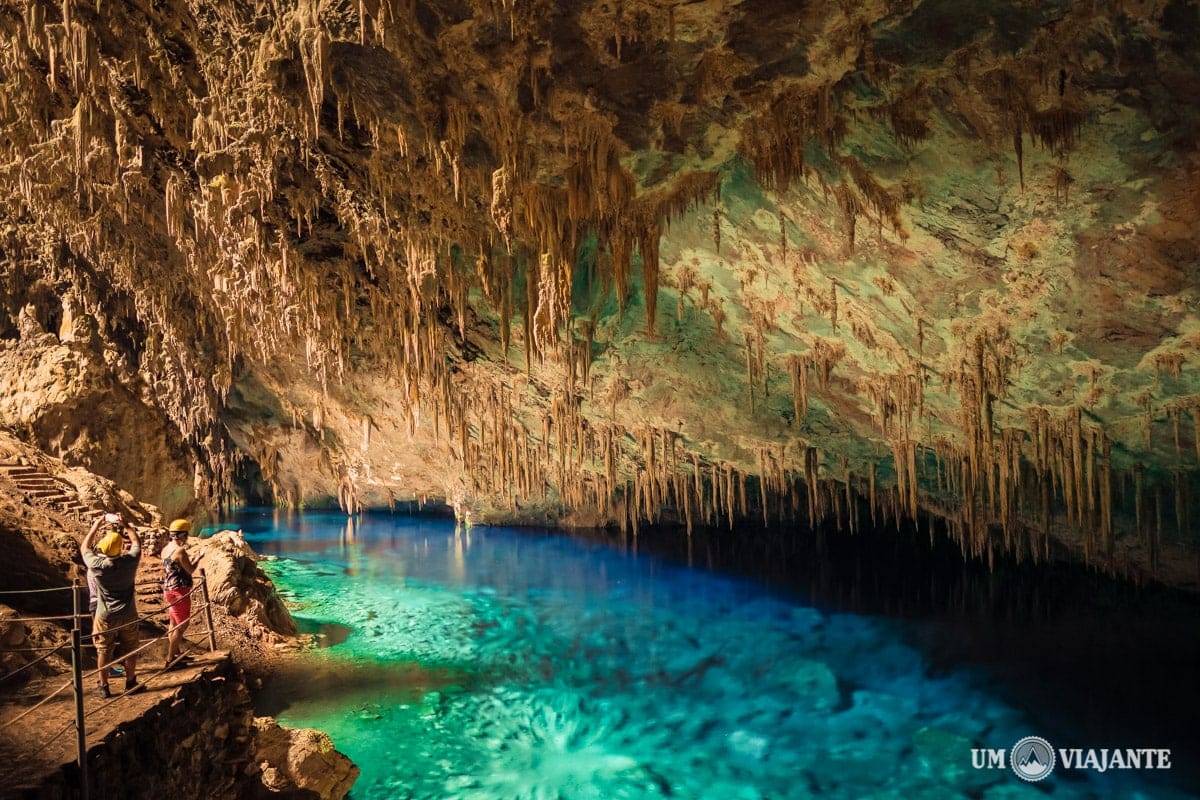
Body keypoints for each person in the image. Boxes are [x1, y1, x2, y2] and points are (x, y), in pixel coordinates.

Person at [81, 512, 141, 697]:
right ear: (121, 548)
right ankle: (130, 682)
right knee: (131, 649)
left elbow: (84, 547)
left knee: (104, 651)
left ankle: (104, 686)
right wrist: (126, 525)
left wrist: (97, 524)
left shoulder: (97, 566)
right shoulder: (130, 562)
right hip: (128, 613)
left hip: (105, 615)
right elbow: (137, 544)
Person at [161, 518, 199, 666]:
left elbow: (171, 569)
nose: (187, 537)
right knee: (182, 624)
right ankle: (171, 659)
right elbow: (190, 570)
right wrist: (198, 558)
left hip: (169, 589)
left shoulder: (165, 549)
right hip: (179, 591)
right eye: (186, 534)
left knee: (173, 622)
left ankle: (177, 654)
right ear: (182, 535)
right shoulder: (180, 551)